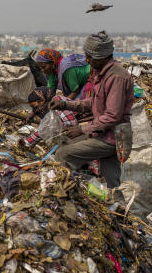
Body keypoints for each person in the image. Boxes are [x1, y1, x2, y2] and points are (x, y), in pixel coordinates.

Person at [50, 31, 134, 188]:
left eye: (89, 57)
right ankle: (117, 208)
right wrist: (65, 104)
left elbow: (112, 116)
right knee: (112, 182)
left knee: (64, 153)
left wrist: (82, 129)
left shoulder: (116, 77)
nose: (86, 60)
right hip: (106, 134)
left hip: (112, 138)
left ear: (101, 57)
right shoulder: (104, 74)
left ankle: (66, 194)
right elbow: (93, 102)